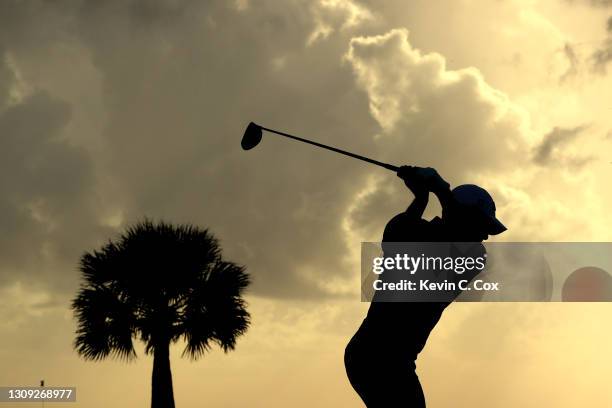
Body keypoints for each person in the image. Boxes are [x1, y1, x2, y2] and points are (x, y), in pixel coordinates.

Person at [344, 166, 507, 407]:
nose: (485, 236)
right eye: (482, 225)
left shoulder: (472, 256)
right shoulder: (421, 235)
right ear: (466, 217)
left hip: (384, 359)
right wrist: (427, 195)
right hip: (377, 357)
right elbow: (410, 231)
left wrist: (434, 193)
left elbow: (444, 235)